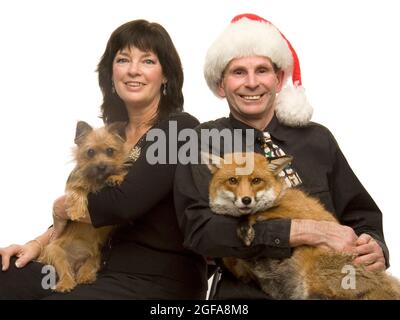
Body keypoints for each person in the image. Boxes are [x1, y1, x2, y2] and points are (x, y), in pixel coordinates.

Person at [174, 13, 388, 299]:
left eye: (262, 70)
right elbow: (201, 232)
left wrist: (373, 246)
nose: (252, 83)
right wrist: (301, 231)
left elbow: (361, 214)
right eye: (238, 72)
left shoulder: (317, 139)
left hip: (333, 284)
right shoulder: (204, 142)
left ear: (278, 79)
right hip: (245, 293)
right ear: (221, 84)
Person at [0, 19, 207, 300]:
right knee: (6, 278)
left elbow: (122, 204)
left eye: (147, 61)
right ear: (111, 73)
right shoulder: (110, 136)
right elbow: (85, 206)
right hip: (95, 267)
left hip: (156, 278)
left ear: (166, 75)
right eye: (123, 60)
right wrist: (36, 245)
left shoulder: (179, 128)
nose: (133, 70)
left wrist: (63, 207)